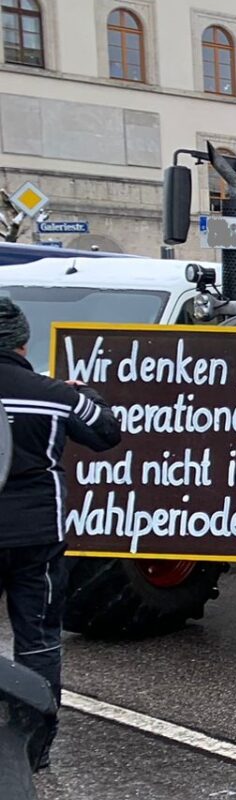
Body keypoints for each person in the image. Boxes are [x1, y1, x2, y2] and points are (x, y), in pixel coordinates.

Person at [0, 296, 122, 770]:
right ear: (24, 344)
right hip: (37, 536)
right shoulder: (52, 393)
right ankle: (33, 751)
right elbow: (107, 434)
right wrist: (86, 395)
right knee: (39, 641)